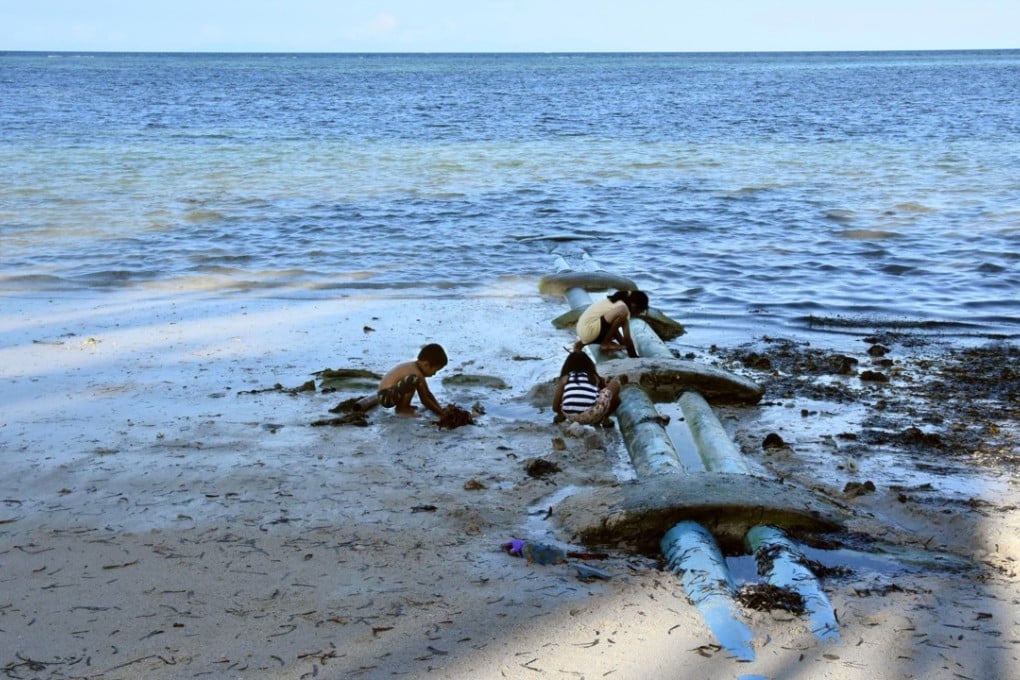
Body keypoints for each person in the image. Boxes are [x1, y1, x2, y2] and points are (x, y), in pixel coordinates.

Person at [551, 349, 625, 426]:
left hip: (570, 416)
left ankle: (561, 416)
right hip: (591, 415)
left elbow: (555, 406)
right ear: (589, 364)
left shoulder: (565, 378)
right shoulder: (593, 377)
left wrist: (561, 412)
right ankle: (605, 419)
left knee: (567, 395)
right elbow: (605, 394)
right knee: (615, 384)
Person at [376, 343, 448, 416]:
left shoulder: (415, 368)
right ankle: (402, 409)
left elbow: (427, 393)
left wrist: (439, 408)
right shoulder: (416, 373)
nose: (434, 374)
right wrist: (441, 413)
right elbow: (424, 400)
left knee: (414, 380)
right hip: (386, 397)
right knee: (413, 380)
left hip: (388, 394)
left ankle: (404, 406)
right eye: (435, 370)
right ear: (426, 365)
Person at [575, 289, 649, 358]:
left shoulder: (616, 302)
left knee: (614, 333)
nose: (639, 314)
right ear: (634, 306)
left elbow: (612, 328)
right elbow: (627, 338)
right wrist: (634, 357)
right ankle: (605, 344)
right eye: (640, 311)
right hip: (589, 331)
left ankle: (581, 344)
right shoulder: (623, 308)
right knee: (622, 310)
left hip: (584, 332)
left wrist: (623, 345)